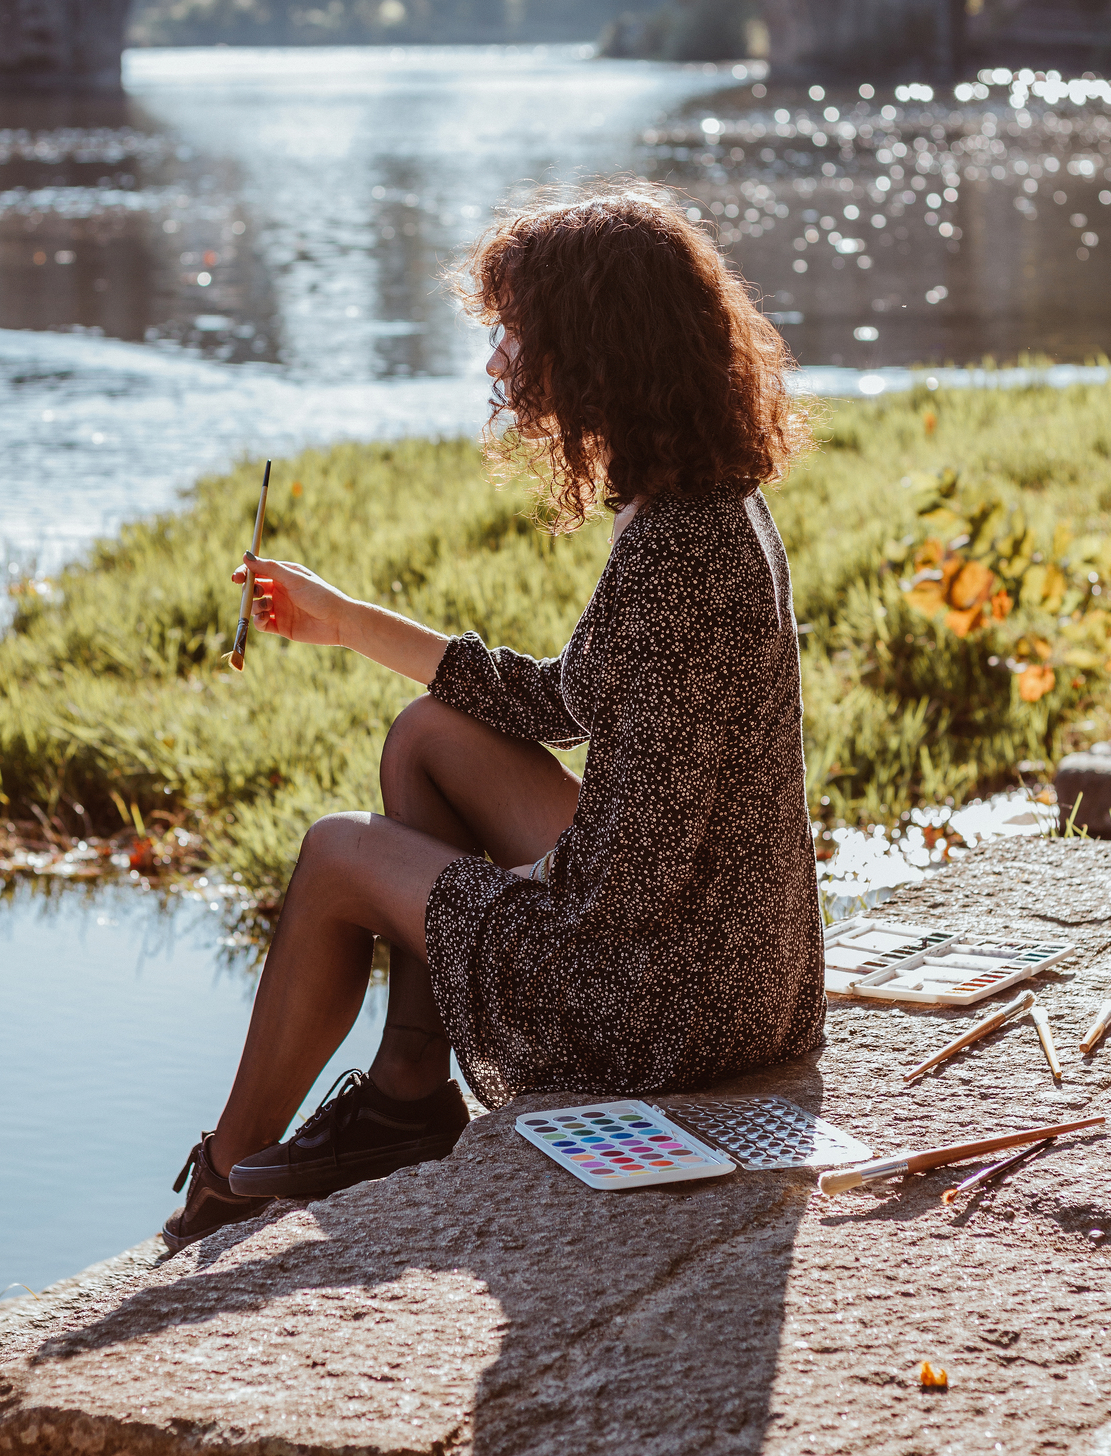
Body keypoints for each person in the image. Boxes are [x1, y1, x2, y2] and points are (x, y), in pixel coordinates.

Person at [164, 187, 826, 1253]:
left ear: (595, 346)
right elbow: (561, 704)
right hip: (742, 966)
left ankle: (225, 1181)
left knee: (339, 858)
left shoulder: (673, 552)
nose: (496, 362)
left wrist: (463, 897)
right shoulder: (704, 502)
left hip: (676, 1004)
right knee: (428, 736)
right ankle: (408, 1093)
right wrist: (346, 623)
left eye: (516, 333)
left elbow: (630, 888)